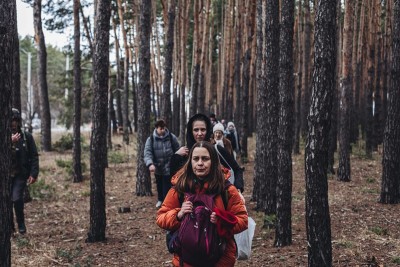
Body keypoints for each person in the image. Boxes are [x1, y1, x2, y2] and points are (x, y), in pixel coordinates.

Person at [156, 141, 248, 266]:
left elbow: (243, 220)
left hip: (220, 260)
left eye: (205, 159)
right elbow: (161, 218)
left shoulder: (227, 190)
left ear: (214, 162)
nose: (200, 163)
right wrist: (179, 214)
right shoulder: (180, 188)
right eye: (196, 159)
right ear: (190, 162)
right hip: (185, 261)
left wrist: (222, 220)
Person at [170, 113, 244, 192]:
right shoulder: (184, 153)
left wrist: (238, 187)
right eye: (196, 130)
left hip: (216, 200)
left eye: (203, 129)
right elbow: (174, 180)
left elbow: (237, 169)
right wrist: (176, 156)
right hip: (189, 202)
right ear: (191, 132)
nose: (199, 133)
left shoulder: (216, 149)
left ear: (208, 130)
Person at [10, 108, 39, 234]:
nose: (13, 123)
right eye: (11, 120)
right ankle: (9, 227)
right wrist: (10, 142)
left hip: (20, 174)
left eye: (15, 120)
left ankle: (21, 223)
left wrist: (33, 173)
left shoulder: (26, 137)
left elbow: (34, 155)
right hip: (6, 175)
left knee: (16, 198)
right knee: (6, 202)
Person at [144, 119, 180, 208]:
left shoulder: (171, 137)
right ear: (156, 128)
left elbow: (178, 150)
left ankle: (166, 203)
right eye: (161, 128)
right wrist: (150, 164)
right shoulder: (151, 139)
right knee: (159, 184)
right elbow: (147, 152)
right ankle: (160, 200)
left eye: (164, 128)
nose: (163, 130)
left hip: (169, 167)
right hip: (158, 168)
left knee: (167, 186)